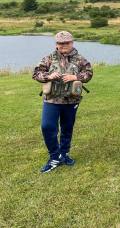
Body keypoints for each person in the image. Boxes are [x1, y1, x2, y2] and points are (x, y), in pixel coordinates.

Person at [32, 31, 93, 173]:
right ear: (56, 44)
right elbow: (36, 74)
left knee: (67, 128)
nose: (63, 45)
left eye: (66, 42)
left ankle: (64, 154)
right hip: (51, 100)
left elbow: (89, 74)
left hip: (71, 101)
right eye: (60, 43)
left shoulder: (80, 59)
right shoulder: (48, 58)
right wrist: (48, 76)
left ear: (72, 42)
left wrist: (75, 76)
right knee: (47, 127)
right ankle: (54, 156)